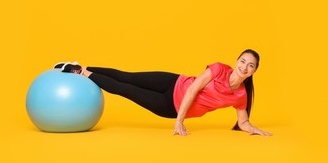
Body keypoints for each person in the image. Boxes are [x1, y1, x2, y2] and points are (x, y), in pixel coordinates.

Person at [54, 49, 272, 136]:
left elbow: (243, 122)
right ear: (236, 61)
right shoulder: (218, 69)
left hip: (169, 106)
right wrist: (180, 122)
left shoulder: (240, 95)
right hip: (174, 81)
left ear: (254, 71)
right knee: (127, 75)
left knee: (125, 89)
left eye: (250, 65)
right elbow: (194, 89)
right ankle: (81, 67)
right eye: (242, 61)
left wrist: (254, 129)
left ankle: (79, 71)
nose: (244, 66)